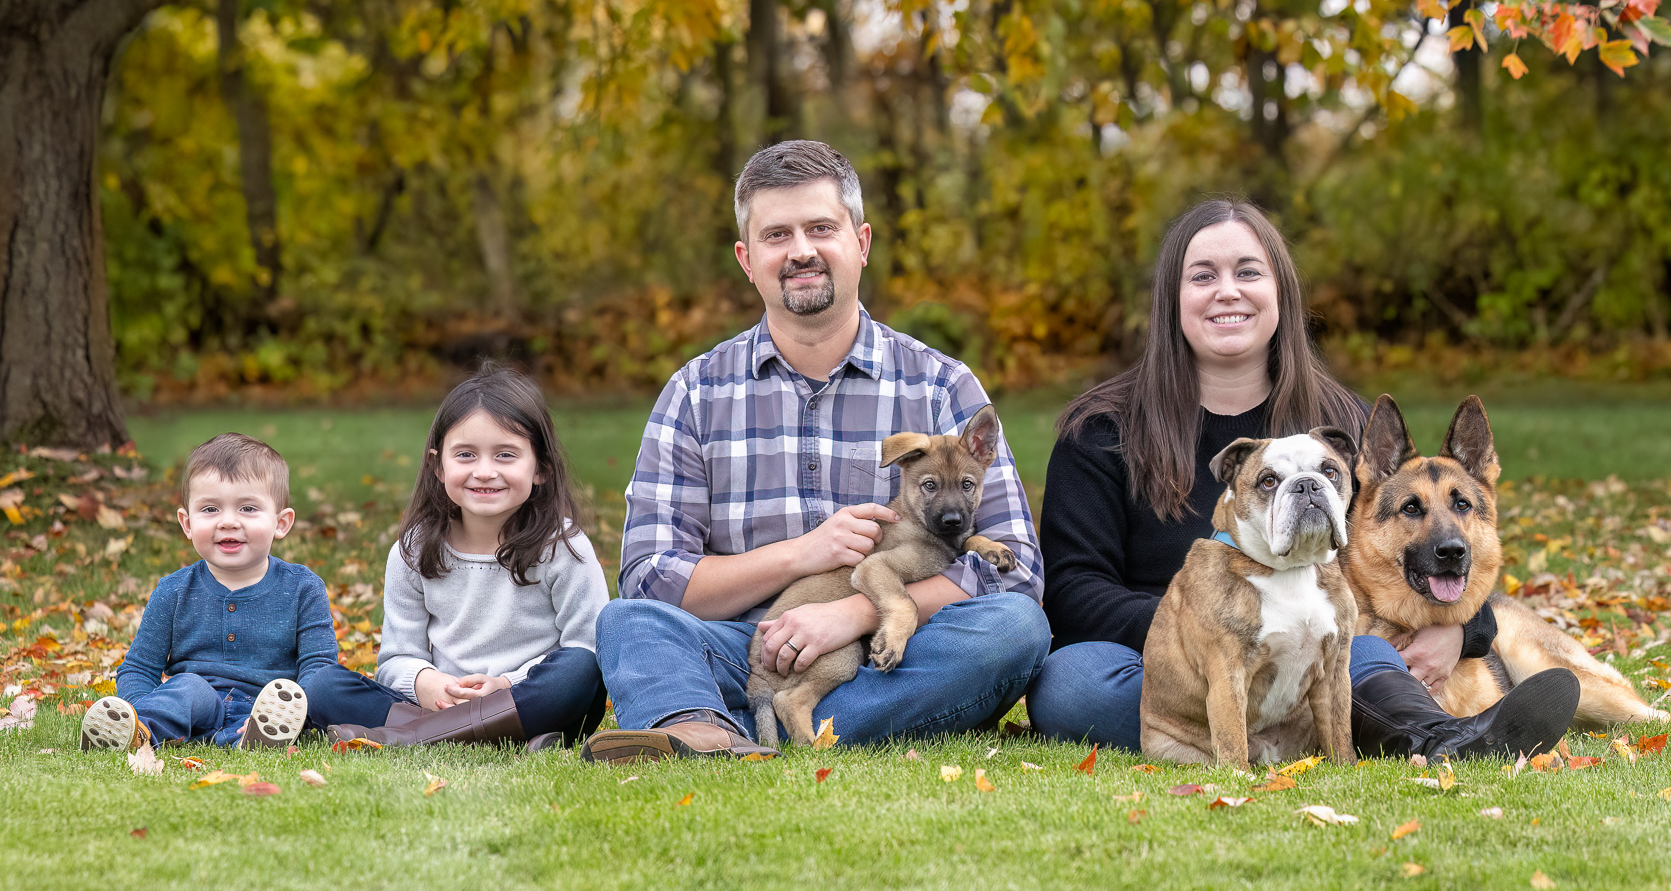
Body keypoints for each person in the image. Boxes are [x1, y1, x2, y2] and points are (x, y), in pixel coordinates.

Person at [1027, 197, 1580, 759]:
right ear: (1171, 299)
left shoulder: (1344, 426)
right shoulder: (1100, 431)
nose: (1228, 291)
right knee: (1070, 683)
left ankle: (1436, 738)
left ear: (1281, 292)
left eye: (1248, 272)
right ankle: (1327, 730)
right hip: (1170, 669)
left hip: (1315, 662)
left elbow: (1423, 537)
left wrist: (1465, 630)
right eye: (1202, 276)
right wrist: (1214, 631)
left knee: (1366, 654)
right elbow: (1073, 592)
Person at [581, 140, 1050, 763]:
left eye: (821, 228)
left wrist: (855, 614)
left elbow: (1013, 566)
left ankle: (730, 731)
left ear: (861, 242)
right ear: (748, 260)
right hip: (740, 646)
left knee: (1014, 630)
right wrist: (801, 555)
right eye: (778, 234)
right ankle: (713, 720)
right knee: (628, 625)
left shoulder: (941, 385)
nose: (802, 250)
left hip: (891, 648)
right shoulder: (695, 392)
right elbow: (651, 578)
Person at [306, 365, 609, 749]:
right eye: (466, 454)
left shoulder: (563, 548)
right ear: (438, 464)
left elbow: (587, 648)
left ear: (541, 469)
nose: (484, 472)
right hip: (440, 703)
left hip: (527, 700)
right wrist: (426, 682)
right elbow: (397, 659)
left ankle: (411, 738)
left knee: (580, 670)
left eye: (505, 455)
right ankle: (474, 736)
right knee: (322, 685)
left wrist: (504, 686)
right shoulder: (412, 551)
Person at [82, 433, 334, 751]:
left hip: (268, 708)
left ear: (281, 523)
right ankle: (136, 732)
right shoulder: (173, 591)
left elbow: (319, 666)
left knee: (285, 696)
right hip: (194, 706)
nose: (228, 522)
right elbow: (139, 668)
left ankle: (254, 738)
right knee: (187, 687)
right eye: (211, 509)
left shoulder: (303, 588)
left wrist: (300, 709)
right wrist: (140, 709)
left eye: (248, 508)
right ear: (187, 524)